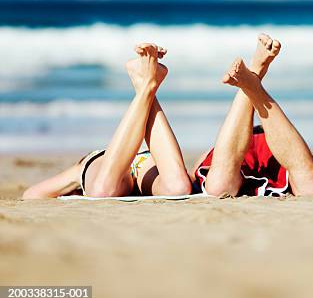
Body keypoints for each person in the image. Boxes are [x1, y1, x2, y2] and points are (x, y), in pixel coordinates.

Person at [22, 43, 192, 199]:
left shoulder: (81, 170)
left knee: (176, 188)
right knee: (106, 190)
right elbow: (31, 195)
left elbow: (31, 195)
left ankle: (145, 83)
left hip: (137, 163)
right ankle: (146, 83)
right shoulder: (82, 170)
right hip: (124, 162)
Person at [192, 34, 313, 197]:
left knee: (312, 188)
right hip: (260, 138)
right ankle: (253, 77)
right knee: (219, 186)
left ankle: (252, 79)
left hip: (270, 141)